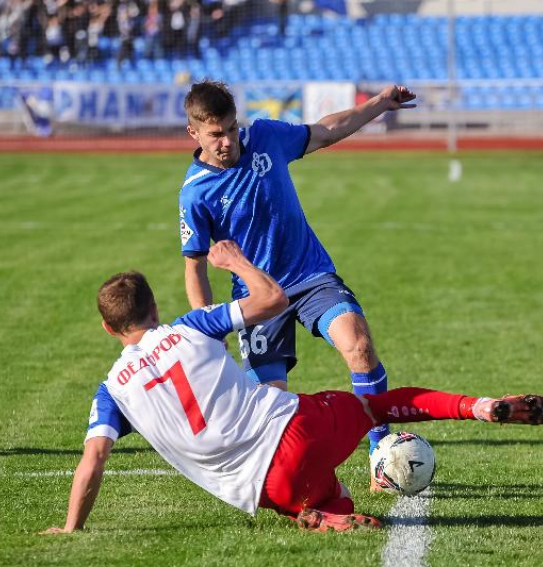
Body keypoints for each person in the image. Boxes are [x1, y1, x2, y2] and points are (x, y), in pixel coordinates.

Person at [42, 240, 543, 534]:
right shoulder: (188, 328)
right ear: (153, 309)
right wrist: (236, 263)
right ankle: (481, 406)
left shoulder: (112, 391)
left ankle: (324, 515)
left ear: (110, 330)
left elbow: (93, 461)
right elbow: (270, 299)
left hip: (267, 489)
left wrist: (71, 530)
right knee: (376, 406)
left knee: (328, 494)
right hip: (297, 431)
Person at [178, 80, 416, 480]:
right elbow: (194, 266)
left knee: (358, 344)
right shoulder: (195, 193)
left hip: (310, 276)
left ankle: (381, 455)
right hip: (257, 299)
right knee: (273, 407)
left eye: (232, 129)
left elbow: (326, 130)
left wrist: (378, 104)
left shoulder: (267, 137)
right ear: (194, 133)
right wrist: (208, 331)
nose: (227, 141)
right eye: (216, 134)